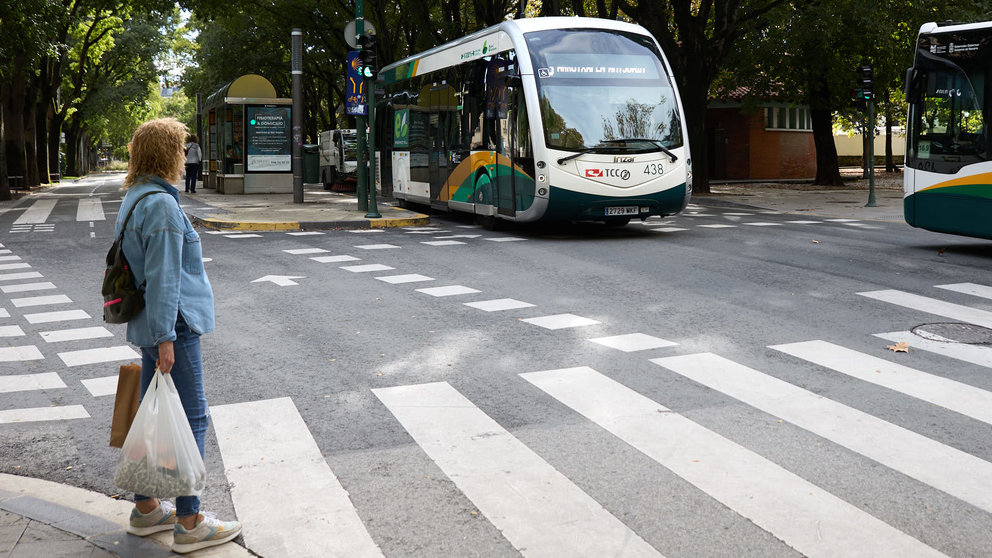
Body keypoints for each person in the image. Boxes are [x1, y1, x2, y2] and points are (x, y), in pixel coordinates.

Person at [115, 118, 242, 554]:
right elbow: (165, 276)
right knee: (193, 418)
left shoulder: (134, 197)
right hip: (175, 325)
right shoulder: (163, 207)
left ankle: (147, 507)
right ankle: (189, 520)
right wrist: (167, 336)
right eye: (180, 149)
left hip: (151, 324)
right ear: (169, 154)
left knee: (151, 416)